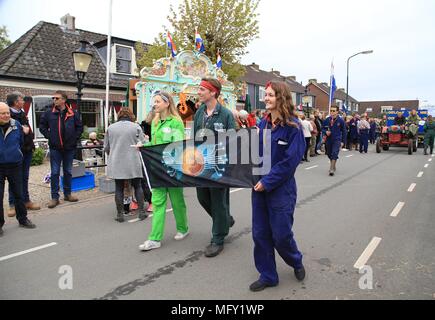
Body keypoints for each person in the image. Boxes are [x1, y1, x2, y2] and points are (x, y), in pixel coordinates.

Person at [249, 81, 306, 292]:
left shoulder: (293, 127)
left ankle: (296, 260)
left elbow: (290, 163)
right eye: (265, 94)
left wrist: (268, 182)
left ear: (280, 97)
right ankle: (268, 275)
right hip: (258, 189)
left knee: (281, 235)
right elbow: (253, 154)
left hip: (281, 191)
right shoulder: (262, 124)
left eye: (270, 95)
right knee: (260, 234)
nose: (266, 98)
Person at [137, 91, 189, 251]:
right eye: (154, 101)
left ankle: (183, 228)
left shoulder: (176, 122)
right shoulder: (155, 122)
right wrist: (143, 146)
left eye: (158, 101)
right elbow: (154, 143)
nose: (155, 104)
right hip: (157, 168)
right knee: (158, 202)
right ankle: (154, 239)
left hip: (172, 169)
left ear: (167, 103)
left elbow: (179, 146)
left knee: (177, 201)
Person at [193, 78, 236, 258]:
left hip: (219, 165)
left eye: (202, 89)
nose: (199, 92)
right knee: (202, 197)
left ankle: (217, 239)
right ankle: (225, 220)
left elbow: (233, 140)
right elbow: (194, 137)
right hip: (201, 165)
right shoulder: (199, 113)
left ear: (213, 92)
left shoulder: (225, 114)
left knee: (218, 202)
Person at [39, 91, 83, 208]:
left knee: (68, 171)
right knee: (54, 173)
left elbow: (79, 127)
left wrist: (74, 138)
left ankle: (68, 194)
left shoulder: (73, 113)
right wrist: (49, 136)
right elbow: (42, 126)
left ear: (64, 100)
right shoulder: (49, 113)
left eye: (57, 98)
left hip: (69, 148)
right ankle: (55, 198)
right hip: (55, 148)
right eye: (53, 98)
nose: (54, 100)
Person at [105, 108, 148, 223]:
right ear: (131, 115)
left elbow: (106, 147)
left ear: (119, 116)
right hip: (133, 161)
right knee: (138, 186)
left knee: (118, 188)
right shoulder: (136, 127)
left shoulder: (110, 128)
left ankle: (120, 215)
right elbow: (143, 143)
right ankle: (141, 212)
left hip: (116, 162)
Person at [0, 102, 36, 237]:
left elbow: (20, 141)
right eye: (2, 113)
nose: (6, 115)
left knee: (18, 194)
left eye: (7, 113)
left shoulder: (16, 124)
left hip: (15, 164)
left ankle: (23, 219)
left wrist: (16, 154)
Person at [6, 92, 40, 218]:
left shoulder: (22, 113)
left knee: (24, 177)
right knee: (13, 178)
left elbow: (28, 130)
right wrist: (22, 129)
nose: (23, 102)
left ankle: (26, 201)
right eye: (21, 100)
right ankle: (12, 204)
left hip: (27, 149)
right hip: (15, 152)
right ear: (15, 102)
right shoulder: (7, 115)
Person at [323, 106, 346, 176]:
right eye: (331, 111)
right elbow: (322, 128)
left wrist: (343, 142)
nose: (332, 112)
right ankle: (333, 164)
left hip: (337, 139)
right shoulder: (327, 120)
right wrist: (325, 132)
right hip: (329, 139)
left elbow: (344, 131)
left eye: (333, 111)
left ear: (337, 112)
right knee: (329, 153)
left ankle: (331, 169)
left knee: (334, 153)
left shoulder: (341, 120)